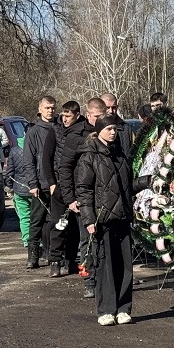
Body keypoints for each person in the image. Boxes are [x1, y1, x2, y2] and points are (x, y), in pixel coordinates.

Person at [74, 114, 137, 327]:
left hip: (123, 217)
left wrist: (147, 182)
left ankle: (123, 308)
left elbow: (128, 185)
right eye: (109, 128)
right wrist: (89, 219)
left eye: (115, 129)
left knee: (125, 266)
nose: (113, 132)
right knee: (105, 266)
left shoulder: (120, 154)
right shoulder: (89, 157)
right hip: (102, 220)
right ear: (99, 130)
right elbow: (83, 191)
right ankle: (106, 310)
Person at [58, 98, 104, 295]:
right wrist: (70, 198)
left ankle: (105, 278)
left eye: (102, 117)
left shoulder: (110, 133)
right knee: (86, 241)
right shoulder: (76, 135)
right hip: (83, 197)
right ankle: (89, 281)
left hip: (105, 197)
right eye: (96, 116)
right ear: (88, 113)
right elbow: (65, 168)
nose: (99, 120)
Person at [24, 96, 62, 276]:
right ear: (40, 109)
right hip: (40, 183)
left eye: (53, 108)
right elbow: (28, 160)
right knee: (36, 221)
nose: (50, 111)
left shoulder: (59, 128)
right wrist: (33, 183)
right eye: (47, 108)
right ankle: (33, 255)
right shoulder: (33, 132)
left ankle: (55, 254)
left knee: (57, 221)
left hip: (58, 182)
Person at [5, 130, 45, 268]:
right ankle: (39, 243)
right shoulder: (38, 147)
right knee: (38, 218)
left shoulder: (15, 150)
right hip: (36, 189)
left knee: (24, 218)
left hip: (20, 190)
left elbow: (10, 171)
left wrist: (9, 187)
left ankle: (28, 243)